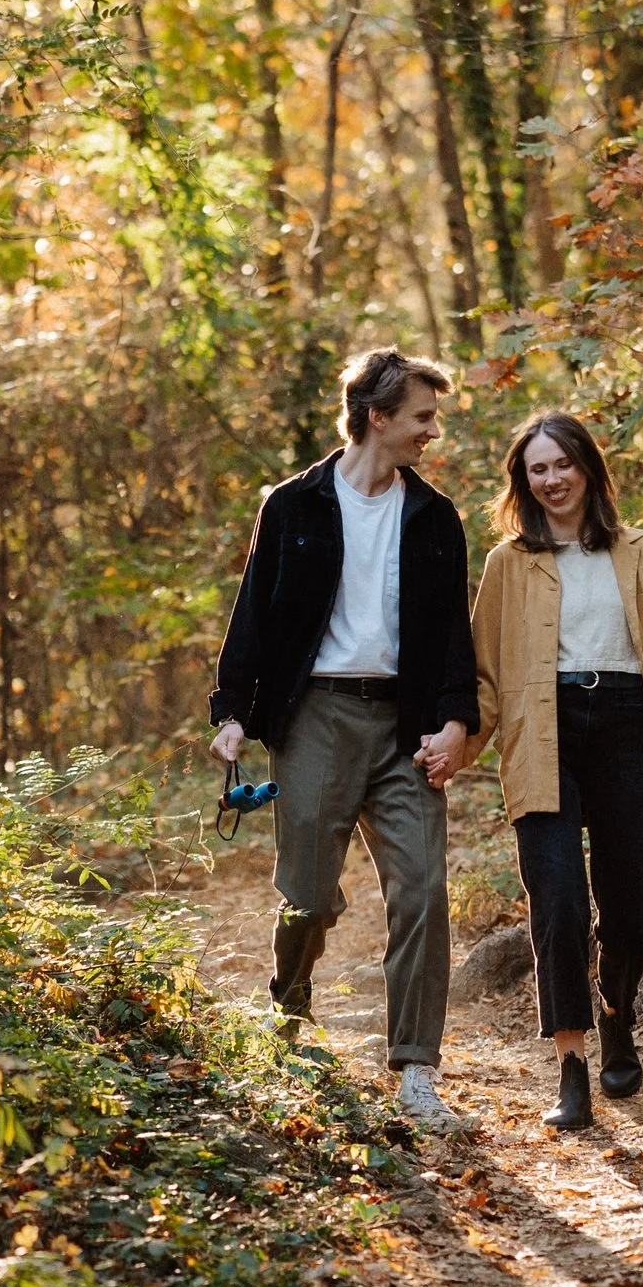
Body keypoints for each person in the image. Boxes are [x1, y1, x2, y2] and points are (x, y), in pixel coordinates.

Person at [209, 346, 481, 1134]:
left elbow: (454, 640)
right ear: (377, 417)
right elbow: (253, 617)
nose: (433, 431)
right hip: (316, 717)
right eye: (423, 416)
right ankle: (289, 1011)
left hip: (405, 725)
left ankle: (416, 1072)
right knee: (309, 895)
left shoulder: (435, 518)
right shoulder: (292, 505)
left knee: (424, 890)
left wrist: (458, 723)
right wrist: (232, 711)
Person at [468, 411, 643, 1132]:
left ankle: (617, 1013)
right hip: (543, 736)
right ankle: (571, 1067)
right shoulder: (508, 563)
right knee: (557, 902)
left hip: (623, 725)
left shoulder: (641, 553)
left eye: (562, 464)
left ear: (588, 468)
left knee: (631, 908)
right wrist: (453, 745)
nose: (552, 479)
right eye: (538, 469)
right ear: (523, 482)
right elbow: (485, 678)